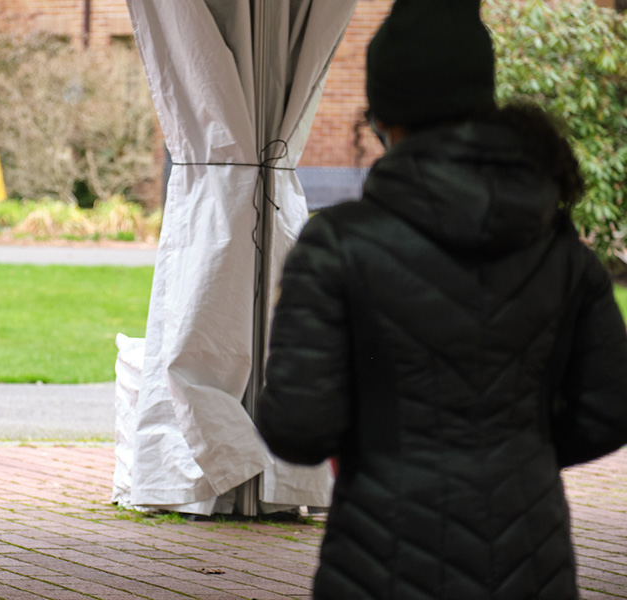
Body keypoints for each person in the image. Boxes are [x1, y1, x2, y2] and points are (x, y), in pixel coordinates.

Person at [255, 1, 627, 599]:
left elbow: (298, 425)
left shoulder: (337, 244)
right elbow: (610, 410)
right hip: (530, 557)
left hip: (379, 559)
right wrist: (515, 453)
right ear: (485, 103)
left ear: (384, 117)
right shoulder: (563, 251)